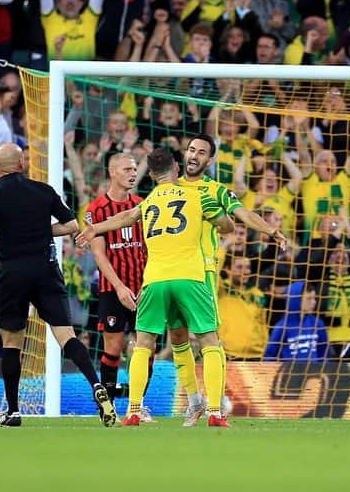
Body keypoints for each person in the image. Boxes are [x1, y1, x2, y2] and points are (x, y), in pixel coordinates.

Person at [77, 147, 235, 427]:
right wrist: (222, 216)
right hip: (190, 277)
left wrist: (95, 228)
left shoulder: (148, 201)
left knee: (143, 345)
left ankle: (134, 410)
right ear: (177, 169)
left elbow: (126, 217)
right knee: (209, 342)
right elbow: (227, 225)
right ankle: (214, 412)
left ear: (150, 174)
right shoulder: (196, 195)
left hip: (153, 279)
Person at [0, 142, 115, 427]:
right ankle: (97, 385)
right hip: (46, 270)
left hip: (12, 273)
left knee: (12, 343)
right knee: (66, 336)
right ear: (23, 164)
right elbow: (72, 226)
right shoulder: (44, 190)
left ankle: (13, 411)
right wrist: (37, 230)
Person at [170, 134, 286, 425]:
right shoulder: (167, 188)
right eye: (191, 149)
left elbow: (242, 212)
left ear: (210, 161)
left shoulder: (215, 189)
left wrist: (270, 231)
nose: (194, 155)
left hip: (201, 272)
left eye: (201, 152)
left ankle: (215, 407)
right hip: (170, 271)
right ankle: (195, 402)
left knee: (209, 339)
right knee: (178, 338)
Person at [85, 153, 148, 405]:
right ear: (112, 172)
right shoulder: (96, 210)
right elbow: (99, 254)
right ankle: (108, 406)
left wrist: (145, 284)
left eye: (134, 169)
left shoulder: (143, 205)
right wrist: (120, 287)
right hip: (112, 289)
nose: (132, 173)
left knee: (146, 346)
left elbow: (151, 248)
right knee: (113, 346)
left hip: (143, 287)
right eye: (126, 169)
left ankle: (138, 405)